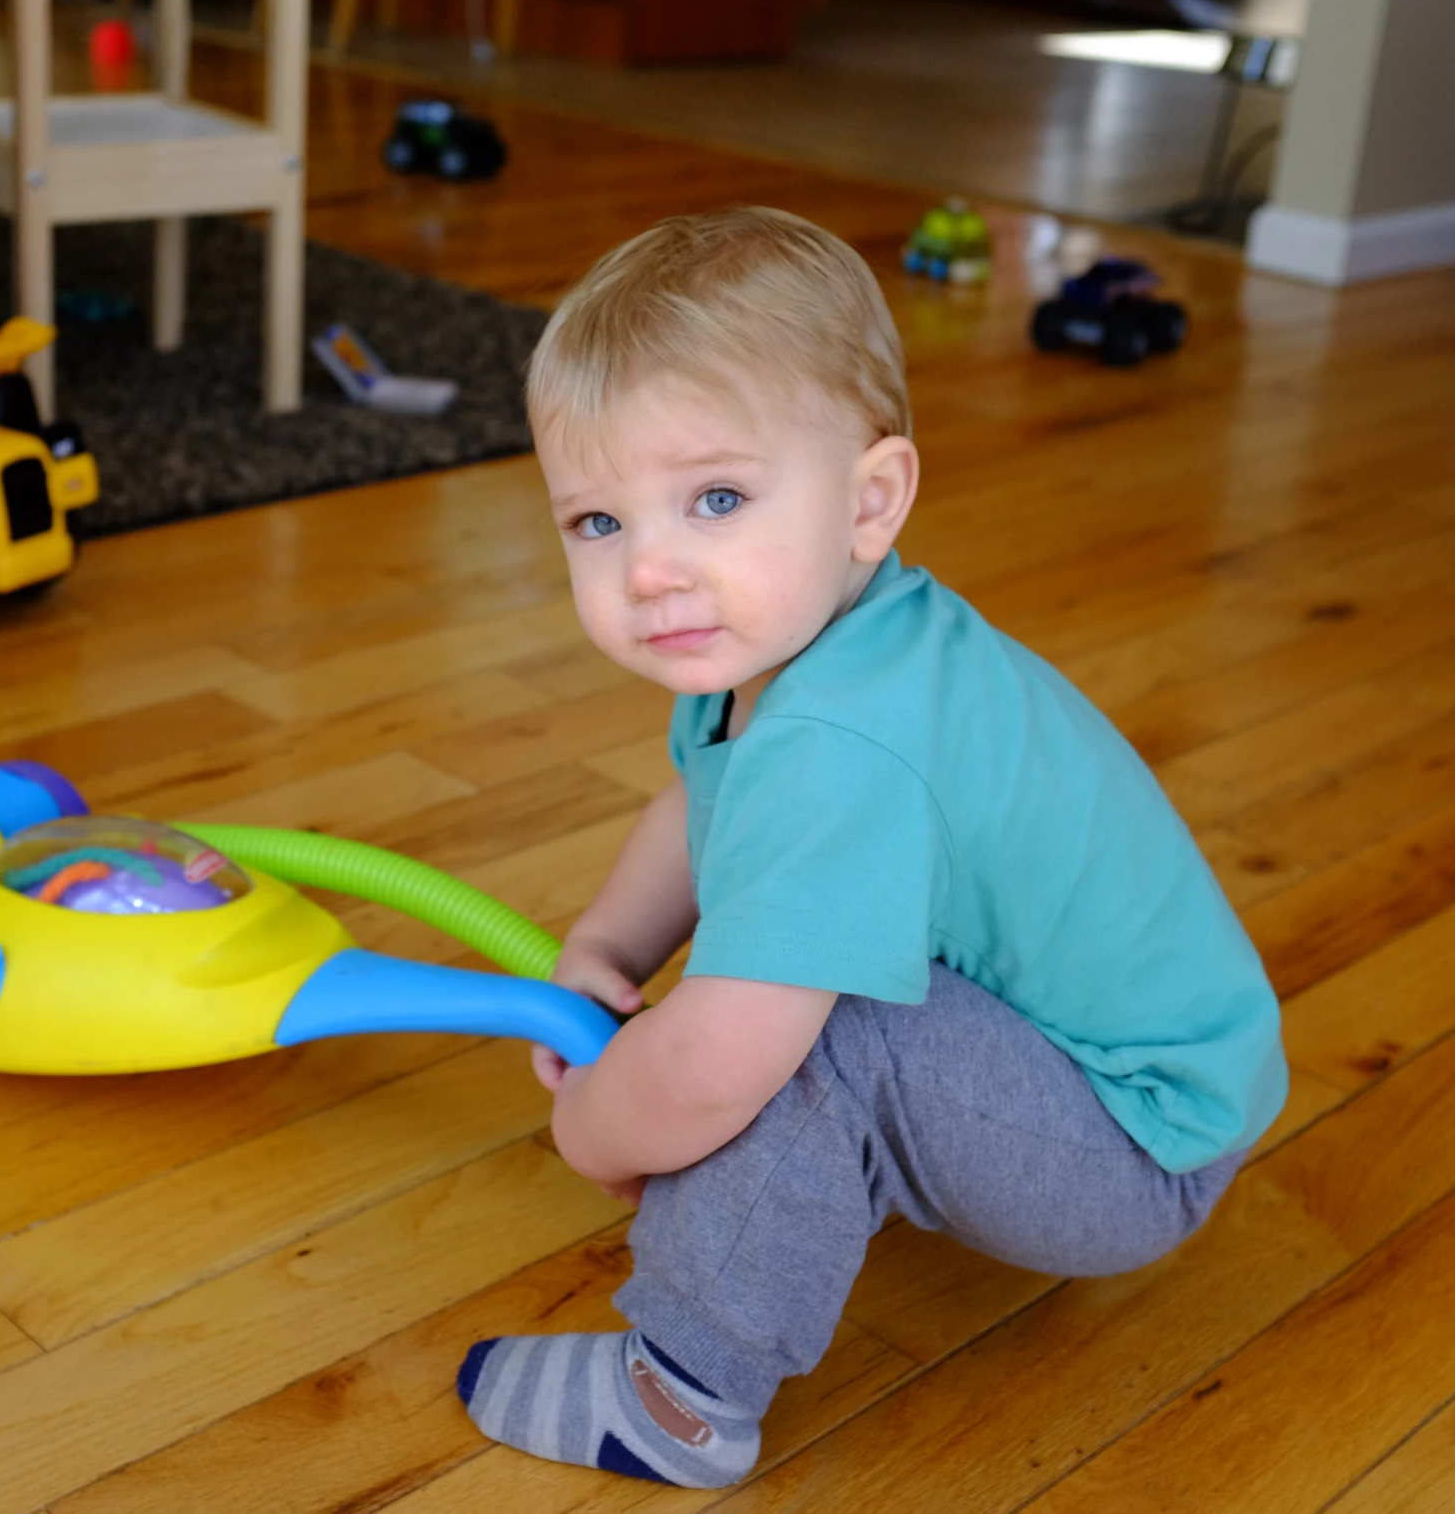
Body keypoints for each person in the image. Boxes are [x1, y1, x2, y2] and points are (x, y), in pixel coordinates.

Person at [454, 206, 1287, 1488]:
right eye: (598, 523)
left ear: (871, 499)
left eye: (715, 498)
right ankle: (835, 1178)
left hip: (1135, 1146)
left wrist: (602, 1129)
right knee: (781, 1004)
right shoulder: (792, 642)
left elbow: (724, 1062)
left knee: (807, 1034)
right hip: (1104, 1074)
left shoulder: (845, 738)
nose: (651, 572)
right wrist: (608, 943)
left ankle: (677, 1396)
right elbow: (703, 799)